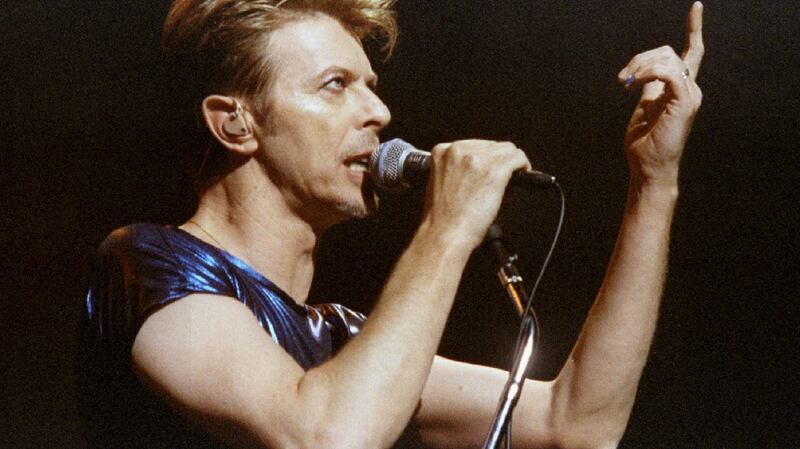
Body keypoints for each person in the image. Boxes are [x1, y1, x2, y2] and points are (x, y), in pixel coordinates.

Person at [80, 1, 705, 448]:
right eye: (335, 86)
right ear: (235, 124)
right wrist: (448, 226)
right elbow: (327, 438)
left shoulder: (342, 343)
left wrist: (654, 183)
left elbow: (575, 424)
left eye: (371, 87)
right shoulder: (146, 263)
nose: (378, 111)